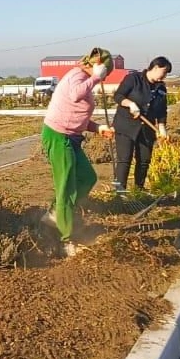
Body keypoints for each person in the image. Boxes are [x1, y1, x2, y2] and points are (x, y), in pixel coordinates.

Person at [40, 47, 116, 256]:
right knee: (66, 187)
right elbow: (75, 96)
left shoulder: (85, 78)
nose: (104, 77)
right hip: (57, 136)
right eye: (105, 72)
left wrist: (97, 127)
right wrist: (96, 78)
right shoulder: (76, 75)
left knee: (87, 177)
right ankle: (66, 239)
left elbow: (76, 114)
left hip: (72, 137)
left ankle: (56, 212)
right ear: (97, 66)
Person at [110, 56, 172, 192]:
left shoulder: (161, 88)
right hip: (126, 126)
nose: (165, 76)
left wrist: (162, 128)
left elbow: (162, 110)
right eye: (164, 71)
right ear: (156, 68)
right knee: (124, 160)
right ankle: (119, 192)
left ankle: (139, 191)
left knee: (144, 160)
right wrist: (130, 104)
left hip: (146, 129)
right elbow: (118, 96)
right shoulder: (134, 79)